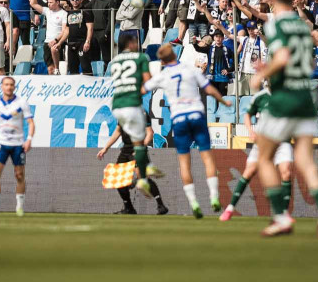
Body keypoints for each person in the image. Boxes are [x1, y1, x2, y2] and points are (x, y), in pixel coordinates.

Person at [250, 0, 318, 238]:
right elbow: (309, 60)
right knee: (304, 159)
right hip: (305, 94)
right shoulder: (304, 27)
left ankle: (280, 217)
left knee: (264, 158)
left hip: (285, 95)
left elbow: (283, 57)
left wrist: (261, 74)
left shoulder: (276, 23)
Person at [145, 43, 230, 218]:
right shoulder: (190, 69)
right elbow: (209, 89)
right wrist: (224, 101)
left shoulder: (162, 76)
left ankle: (193, 203)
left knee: (184, 163)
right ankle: (214, 196)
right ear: (175, 55)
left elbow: (142, 89)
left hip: (179, 119)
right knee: (207, 158)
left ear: (162, 60)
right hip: (197, 115)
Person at [219, 83, 294, 222]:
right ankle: (229, 209)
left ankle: (283, 213)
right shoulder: (260, 97)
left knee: (287, 172)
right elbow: (247, 115)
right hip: (263, 142)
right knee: (249, 172)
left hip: (282, 141)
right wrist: (251, 131)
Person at [108, 32, 164, 199]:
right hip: (132, 105)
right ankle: (144, 172)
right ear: (131, 43)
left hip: (117, 105)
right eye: (135, 41)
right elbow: (148, 81)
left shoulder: (114, 62)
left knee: (135, 140)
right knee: (139, 141)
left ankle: (145, 169)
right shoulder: (140, 58)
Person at [0, 76, 35, 216]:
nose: (9, 87)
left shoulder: (21, 103)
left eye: (11, 85)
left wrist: (29, 139)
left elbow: (31, 123)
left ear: (14, 87)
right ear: (2, 86)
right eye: (6, 84)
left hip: (17, 144)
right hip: (1, 143)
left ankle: (20, 207)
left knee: (19, 175)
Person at [97, 107, 168, 215]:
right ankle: (129, 208)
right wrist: (105, 148)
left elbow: (150, 133)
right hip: (126, 150)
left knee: (143, 177)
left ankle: (161, 205)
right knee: (118, 179)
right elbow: (117, 131)